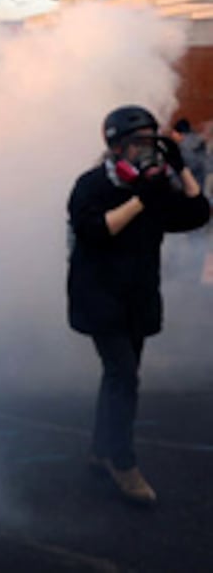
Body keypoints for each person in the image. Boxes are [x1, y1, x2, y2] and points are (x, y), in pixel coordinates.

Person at [67, 105, 209, 505]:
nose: (145, 152)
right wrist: (140, 201)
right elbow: (94, 231)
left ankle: (100, 450)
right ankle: (122, 462)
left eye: (151, 143)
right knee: (124, 376)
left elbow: (198, 214)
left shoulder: (158, 185)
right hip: (100, 298)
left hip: (138, 297)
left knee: (117, 376)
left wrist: (180, 169)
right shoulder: (93, 185)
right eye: (136, 145)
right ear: (115, 148)